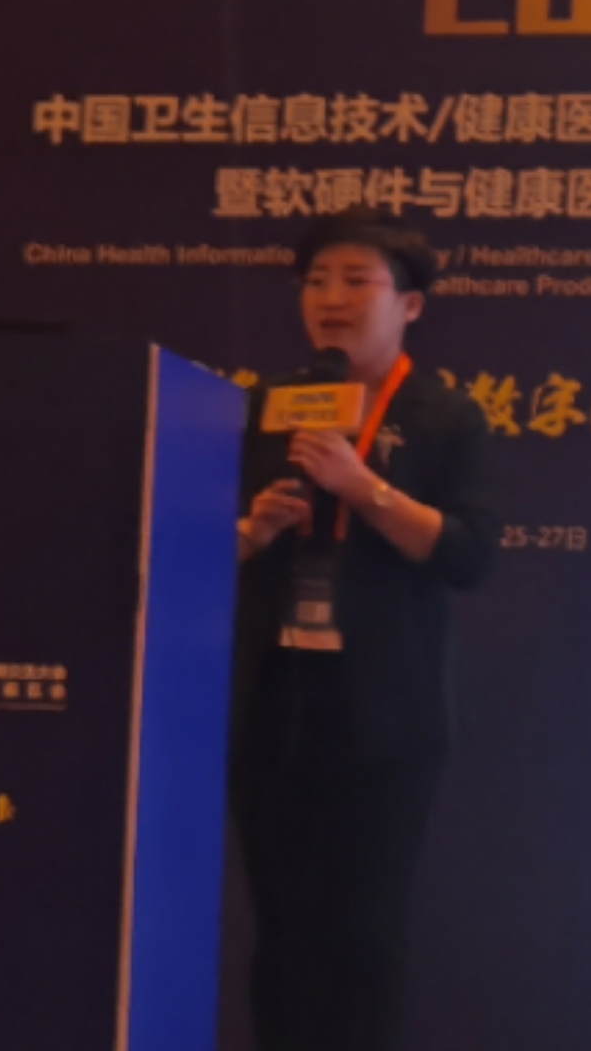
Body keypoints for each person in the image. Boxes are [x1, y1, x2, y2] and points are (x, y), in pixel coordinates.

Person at [231, 209, 500, 1051]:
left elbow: (469, 554)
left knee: (362, 931)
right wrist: (252, 532)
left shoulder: (446, 416)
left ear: (410, 304)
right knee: (280, 927)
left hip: (385, 709)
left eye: (356, 280)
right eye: (316, 281)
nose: (331, 298)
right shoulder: (266, 405)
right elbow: (192, 546)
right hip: (271, 697)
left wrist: (363, 487)